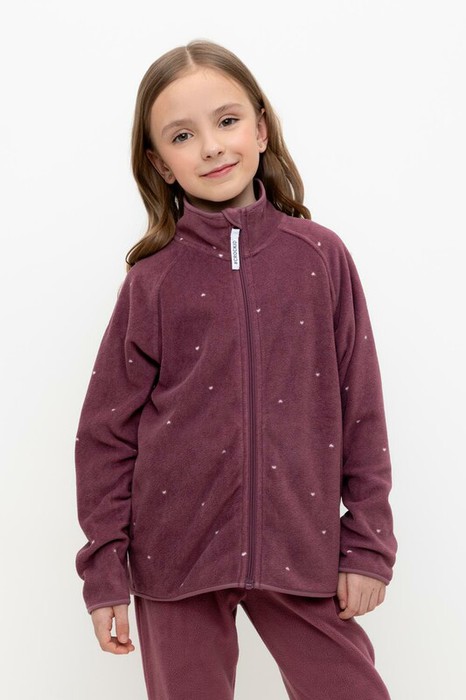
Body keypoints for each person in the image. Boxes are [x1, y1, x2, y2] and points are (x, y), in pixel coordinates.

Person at [74, 38, 398, 700]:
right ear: (160, 164)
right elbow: (106, 434)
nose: (212, 147)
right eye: (182, 136)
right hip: (175, 553)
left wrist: (368, 544)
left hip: (301, 543)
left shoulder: (319, 258)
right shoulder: (152, 282)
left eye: (226, 121)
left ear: (261, 128)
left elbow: (360, 407)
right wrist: (105, 570)